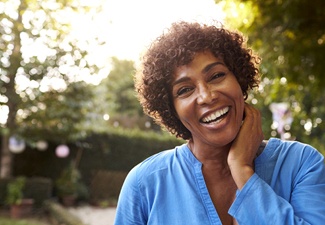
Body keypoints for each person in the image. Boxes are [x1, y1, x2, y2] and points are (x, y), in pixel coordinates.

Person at [114, 21, 325, 225]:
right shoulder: (144, 184)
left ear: (239, 79)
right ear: (172, 110)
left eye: (216, 75)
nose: (207, 96)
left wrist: (242, 171)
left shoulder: (302, 164)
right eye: (185, 90)